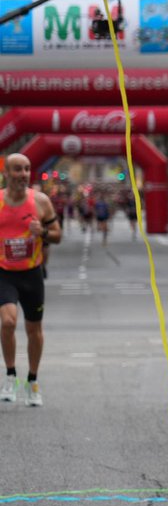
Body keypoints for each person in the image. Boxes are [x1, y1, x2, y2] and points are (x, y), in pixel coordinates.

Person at [0, 154, 61, 406]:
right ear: (6, 173)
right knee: (8, 321)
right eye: (17, 169)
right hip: (3, 272)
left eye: (26, 169)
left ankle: (32, 380)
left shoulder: (41, 201)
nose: (23, 174)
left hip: (32, 273)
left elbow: (57, 235)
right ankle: (10, 375)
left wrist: (44, 232)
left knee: (34, 329)